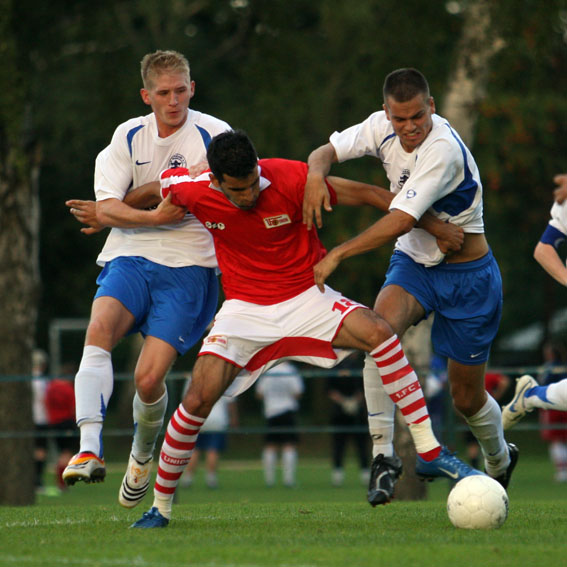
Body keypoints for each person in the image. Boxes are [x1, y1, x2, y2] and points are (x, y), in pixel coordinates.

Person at [84, 129, 484, 527]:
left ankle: (428, 449)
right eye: (237, 190)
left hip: (306, 296)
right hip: (243, 310)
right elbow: (153, 189)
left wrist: (434, 226)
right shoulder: (192, 187)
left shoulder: (291, 178)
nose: (249, 195)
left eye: (252, 183)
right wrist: (108, 214)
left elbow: (369, 194)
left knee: (380, 333)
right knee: (197, 399)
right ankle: (160, 509)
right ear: (216, 181)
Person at [303, 68, 518, 505]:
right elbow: (324, 152)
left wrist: (339, 252)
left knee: (466, 399)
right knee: (376, 333)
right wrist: (313, 176)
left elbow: (401, 218)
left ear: (431, 106)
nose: (409, 127)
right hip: (414, 265)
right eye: (400, 118)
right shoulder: (379, 126)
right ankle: (383, 456)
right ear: (387, 112)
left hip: (469, 277)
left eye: (418, 116)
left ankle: (499, 458)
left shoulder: (442, 148)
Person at [61, 49, 231, 513]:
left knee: (148, 377)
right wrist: (154, 210)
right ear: (146, 95)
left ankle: (140, 455)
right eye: (163, 93)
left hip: (190, 266)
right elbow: (107, 208)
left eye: (181, 91)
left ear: (192, 88)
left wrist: (136, 201)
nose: (174, 101)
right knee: (99, 329)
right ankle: (89, 448)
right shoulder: (128, 135)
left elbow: (230, 193)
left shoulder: (216, 135)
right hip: (129, 256)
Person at [180, 375, 238, 489]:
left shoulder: (193, 376)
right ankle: (211, 478)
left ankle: (188, 478)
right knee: (213, 449)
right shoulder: (224, 376)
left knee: (194, 450)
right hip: (217, 419)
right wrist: (234, 418)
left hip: (197, 417)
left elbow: (186, 400)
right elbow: (230, 401)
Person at [255, 361, 304, 488]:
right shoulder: (290, 370)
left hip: (271, 411)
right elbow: (298, 392)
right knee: (289, 445)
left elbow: (259, 393)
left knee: (270, 445)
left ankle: (269, 480)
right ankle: (288, 480)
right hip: (287, 410)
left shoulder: (267, 370)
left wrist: (272, 397)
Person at [326, 353, 370, 487]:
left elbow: (365, 387)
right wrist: (343, 402)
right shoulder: (333, 367)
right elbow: (329, 389)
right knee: (339, 445)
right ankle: (337, 475)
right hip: (339, 413)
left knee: (362, 445)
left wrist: (355, 401)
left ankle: (365, 475)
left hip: (358, 413)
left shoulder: (361, 366)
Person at [32, 349, 50, 493]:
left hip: (32, 419)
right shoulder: (41, 381)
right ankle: (37, 480)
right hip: (41, 419)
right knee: (40, 450)